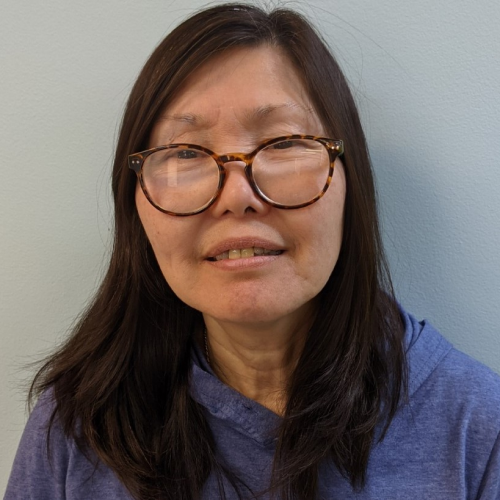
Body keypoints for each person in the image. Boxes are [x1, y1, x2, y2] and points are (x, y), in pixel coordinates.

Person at [5, 3, 500, 500]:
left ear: (351, 180)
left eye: (283, 143)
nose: (237, 195)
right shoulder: (76, 426)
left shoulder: (476, 428)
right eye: (185, 153)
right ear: (134, 204)